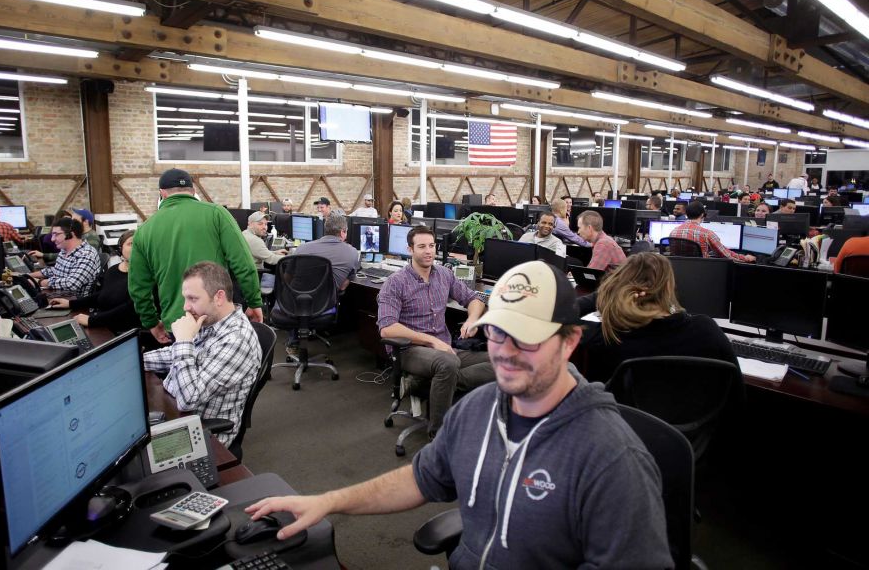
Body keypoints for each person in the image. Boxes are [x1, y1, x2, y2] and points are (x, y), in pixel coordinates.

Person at [245, 260, 671, 568]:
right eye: (497, 332)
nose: (504, 351)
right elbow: (419, 479)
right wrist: (328, 501)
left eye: (527, 338)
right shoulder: (478, 409)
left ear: (570, 341)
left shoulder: (612, 457)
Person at [376, 225, 493, 436]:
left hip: (444, 348)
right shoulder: (395, 283)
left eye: (431, 246)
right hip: (410, 350)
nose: (429, 251)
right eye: (422, 246)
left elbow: (475, 299)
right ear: (410, 249)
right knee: (448, 362)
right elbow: (387, 328)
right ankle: (438, 435)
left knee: (501, 360)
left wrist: (472, 320)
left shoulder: (444, 274)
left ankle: (425, 385)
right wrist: (431, 341)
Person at [129, 168, 263, 344]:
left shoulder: (144, 231)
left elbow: (138, 287)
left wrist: (151, 321)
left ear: (162, 194)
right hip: (217, 317)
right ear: (193, 192)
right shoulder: (217, 214)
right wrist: (254, 302)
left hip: (178, 324)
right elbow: (243, 264)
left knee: (185, 368)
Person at [142, 262, 261, 447]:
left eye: (192, 299)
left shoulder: (236, 340)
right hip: (176, 414)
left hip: (202, 436)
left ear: (219, 297)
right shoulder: (211, 321)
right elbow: (174, 354)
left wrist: (183, 341)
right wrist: (136, 362)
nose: (186, 307)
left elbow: (188, 400)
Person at [580, 252, 739, 382]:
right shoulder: (705, 329)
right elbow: (736, 391)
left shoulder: (606, 333)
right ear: (669, 287)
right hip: (700, 420)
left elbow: (561, 311)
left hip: (627, 420)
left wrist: (608, 293)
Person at [285, 213, 360, 355]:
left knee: (298, 293)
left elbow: (287, 279)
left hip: (293, 304)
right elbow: (342, 287)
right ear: (343, 232)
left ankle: (293, 342)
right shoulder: (352, 253)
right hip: (324, 306)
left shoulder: (302, 249)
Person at [50, 230, 141, 333]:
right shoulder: (113, 270)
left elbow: (130, 309)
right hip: (103, 325)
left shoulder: (147, 276)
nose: (136, 247)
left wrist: (92, 320)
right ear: (120, 249)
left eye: (140, 244)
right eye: (131, 243)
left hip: (123, 331)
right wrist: (71, 303)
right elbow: (101, 295)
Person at [29, 217, 100, 297]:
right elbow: (56, 270)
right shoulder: (64, 250)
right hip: (59, 295)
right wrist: (27, 276)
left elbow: (71, 284)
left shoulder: (86, 254)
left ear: (71, 234)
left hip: (75, 304)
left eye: (56, 234)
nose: (52, 239)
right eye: (52, 234)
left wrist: (38, 282)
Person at [668, 202, 755, 262]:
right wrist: (745, 258)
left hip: (678, 272)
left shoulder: (674, 231)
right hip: (701, 271)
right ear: (702, 214)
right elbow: (725, 255)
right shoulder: (707, 234)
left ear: (686, 214)